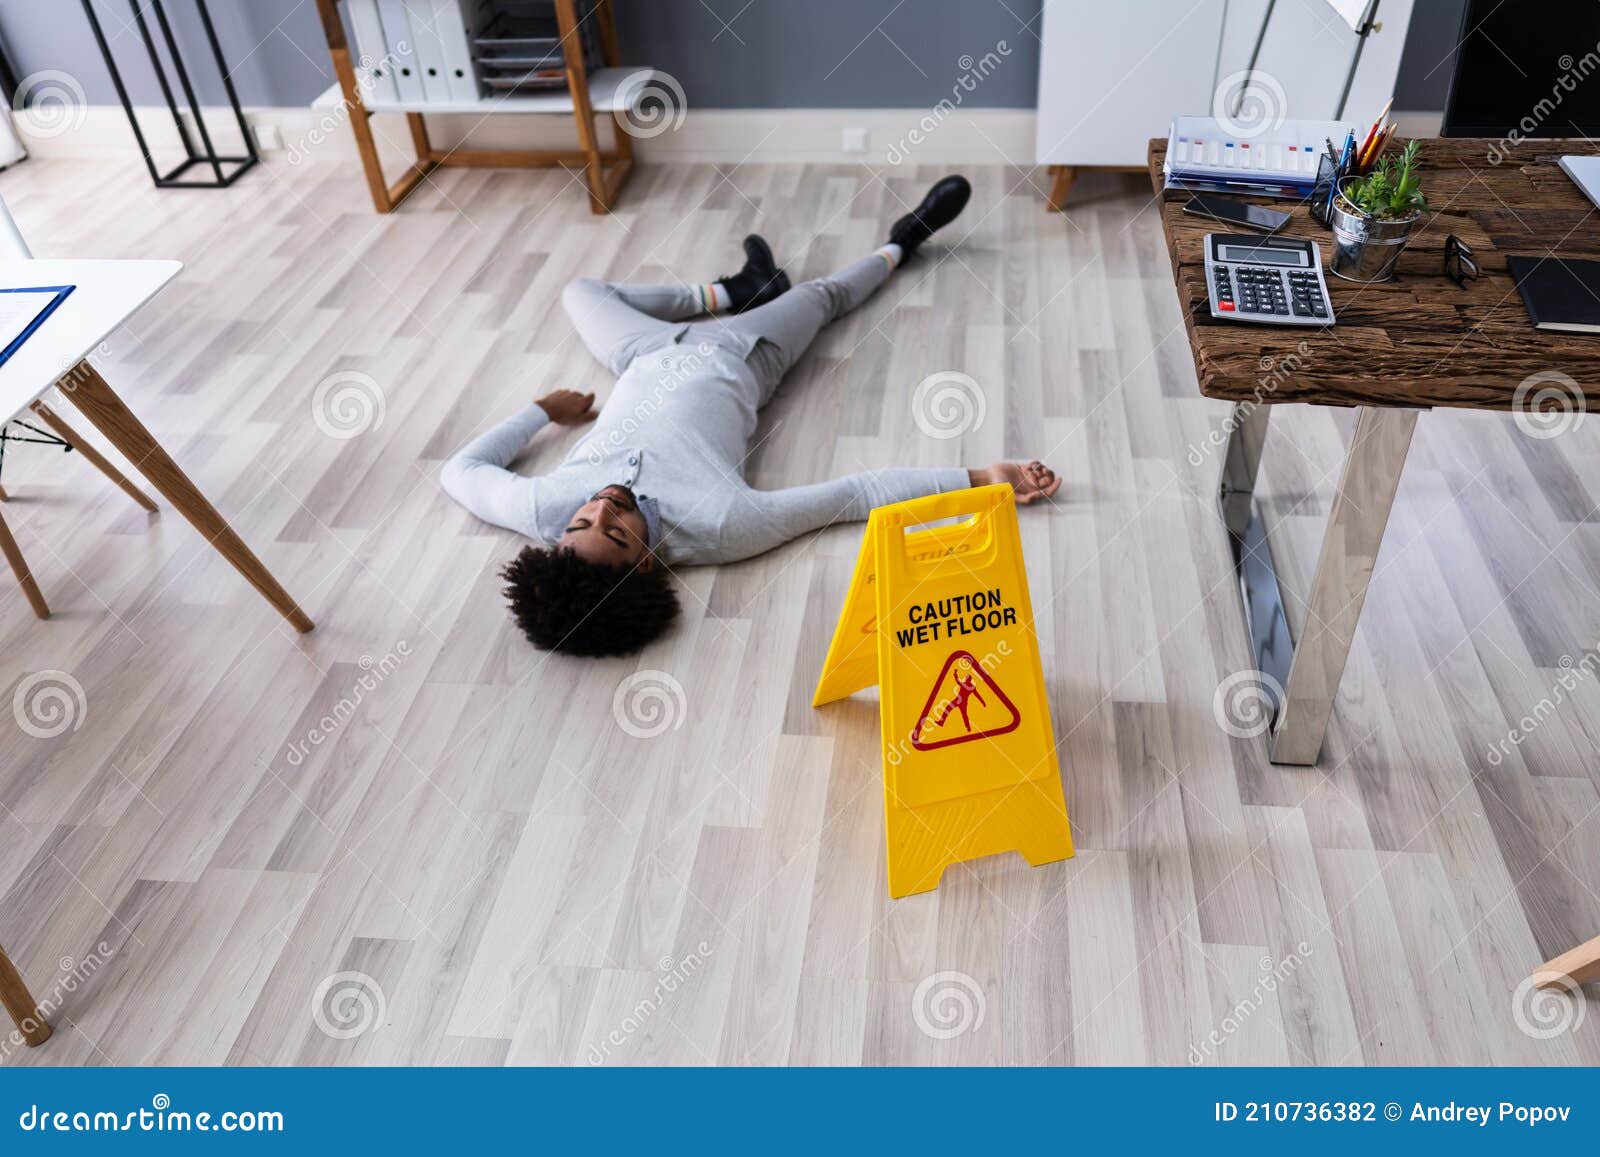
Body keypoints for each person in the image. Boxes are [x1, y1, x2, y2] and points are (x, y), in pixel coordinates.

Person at [440, 175, 1061, 657]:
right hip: (743, 355)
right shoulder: (722, 525)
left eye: (582, 522)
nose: (602, 505)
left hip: (639, 355)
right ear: (647, 561)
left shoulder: (541, 513)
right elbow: (854, 495)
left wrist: (540, 411)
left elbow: (461, 470)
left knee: (580, 291)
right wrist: (979, 478)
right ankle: (904, 240)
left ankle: (731, 290)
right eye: (618, 530)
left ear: (557, 540)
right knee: (820, 297)